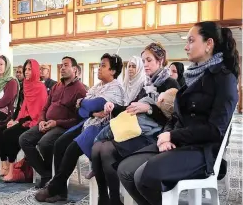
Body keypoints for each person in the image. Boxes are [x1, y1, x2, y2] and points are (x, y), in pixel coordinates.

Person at [117, 22, 239, 205]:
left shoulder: (224, 79)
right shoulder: (195, 75)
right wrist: (167, 137)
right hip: (180, 142)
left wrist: (173, 135)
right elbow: (176, 115)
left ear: (209, 44)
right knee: (125, 170)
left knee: (144, 176)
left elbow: (215, 129)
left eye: (191, 40)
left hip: (202, 150)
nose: (186, 46)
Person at [91, 43, 179, 205]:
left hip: (155, 136)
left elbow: (174, 119)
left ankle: (115, 199)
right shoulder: (147, 84)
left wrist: (149, 109)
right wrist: (114, 106)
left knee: (106, 148)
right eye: (143, 60)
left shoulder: (170, 84)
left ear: (160, 61)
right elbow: (131, 106)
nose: (145, 64)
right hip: (138, 131)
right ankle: (104, 197)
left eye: (149, 60)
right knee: (97, 147)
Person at [35, 54, 125, 202]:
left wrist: (84, 103)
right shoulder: (97, 87)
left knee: (71, 149)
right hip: (88, 121)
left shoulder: (116, 88)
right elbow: (82, 111)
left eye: (103, 65)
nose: (99, 68)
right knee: (59, 144)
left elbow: (92, 104)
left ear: (113, 71)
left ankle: (54, 187)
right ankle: (61, 192)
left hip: (101, 127)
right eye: (99, 64)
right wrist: (91, 109)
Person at [19, 56, 87, 188]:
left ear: (75, 69)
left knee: (44, 143)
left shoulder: (80, 89)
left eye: (66, 65)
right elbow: (45, 108)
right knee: (24, 139)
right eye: (61, 65)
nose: (62, 68)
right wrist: (41, 121)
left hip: (63, 127)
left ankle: (53, 176)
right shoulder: (57, 87)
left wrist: (56, 123)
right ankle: (46, 173)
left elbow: (78, 119)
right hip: (46, 123)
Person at [0, 59, 47, 181]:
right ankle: (4, 166)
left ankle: (11, 171)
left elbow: (41, 111)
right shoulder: (26, 85)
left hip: (34, 121)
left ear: (36, 71)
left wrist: (23, 122)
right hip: (24, 118)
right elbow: (24, 107)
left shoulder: (41, 87)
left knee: (9, 134)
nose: (26, 72)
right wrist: (16, 120)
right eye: (25, 69)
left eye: (29, 69)